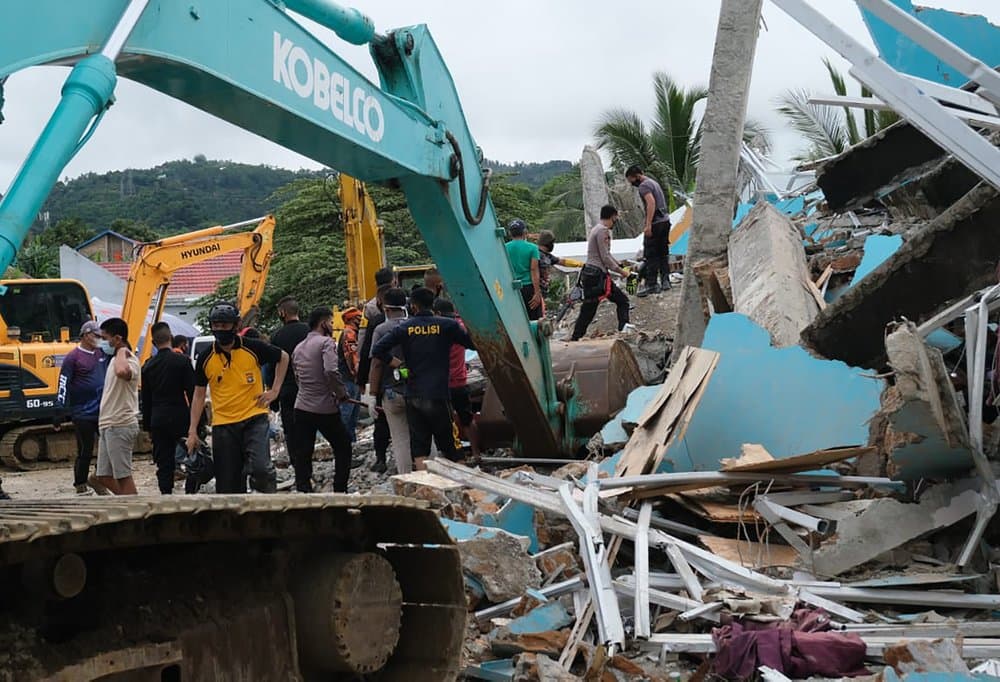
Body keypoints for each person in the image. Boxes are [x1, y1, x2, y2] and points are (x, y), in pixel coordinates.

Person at [186, 302, 288, 494]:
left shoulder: (253, 348)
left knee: (261, 468)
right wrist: (192, 431)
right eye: (216, 325)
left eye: (224, 325)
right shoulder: (206, 357)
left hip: (254, 418)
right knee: (228, 483)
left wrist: (275, 391)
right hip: (224, 424)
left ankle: (268, 504)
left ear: (235, 325)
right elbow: (199, 395)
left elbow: (283, 357)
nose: (220, 330)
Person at [371, 287, 474, 470]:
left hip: (413, 394)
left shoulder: (404, 327)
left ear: (413, 306)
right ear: (432, 304)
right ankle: (463, 486)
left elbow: (378, 350)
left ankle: (424, 487)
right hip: (439, 394)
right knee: (451, 444)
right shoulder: (447, 325)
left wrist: (398, 364)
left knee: (419, 447)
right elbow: (472, 343)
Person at [292, 307, 353, 492]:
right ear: (323, 323)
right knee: (343, 446)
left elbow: (297, 376)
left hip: (301, 406)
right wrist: (341, 392)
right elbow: (331, 370)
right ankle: (340, 489)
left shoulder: (299, 347)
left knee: (304, 451)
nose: (333, 326)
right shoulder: (326, 343)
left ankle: (304, 489)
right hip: (325, 408)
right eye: (331, 322)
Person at [141, 321, 195, 494]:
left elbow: (146, 400)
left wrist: (147, 426)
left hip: (159, 418)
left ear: (153, 342)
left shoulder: (148, 366)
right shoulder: (182, 361)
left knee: (163, 462)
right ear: (171, 338)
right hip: (181, 416)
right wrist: (198, 423)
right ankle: (191, 492)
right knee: (192, 457)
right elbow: (193, 393)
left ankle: (166, 495)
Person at [56, 320, 107, 494]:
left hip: (103, 411)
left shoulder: (101, 353)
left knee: (109, 448)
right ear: (86, 335)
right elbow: (63, 382)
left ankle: (99, 478)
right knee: (85, 449)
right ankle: (80, 483)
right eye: (96, 335)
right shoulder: (73, 357)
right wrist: (59, 409)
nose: (99, 339)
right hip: (83, 412)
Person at [366, 288, 412, 474]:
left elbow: (376, 364)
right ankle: (430, 475)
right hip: (416, 389)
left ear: (386, 308)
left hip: (392, 391)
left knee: (400, 439)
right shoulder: (415, 325)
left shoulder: (381, 329)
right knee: (423, 436)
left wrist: (372, 395)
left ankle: (408, 478)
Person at [571, 205, 633, 341]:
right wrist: (622, 272)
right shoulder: (603, 231)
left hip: (591, 273)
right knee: (622, 301)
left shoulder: (596, 229)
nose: (616, 221)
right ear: (612, 216)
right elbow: (605, 257)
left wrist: (620, 265)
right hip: (597, 275)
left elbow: (606, 255)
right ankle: (624, 332)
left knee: (588, 310)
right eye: (616, 218)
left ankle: (575, 338)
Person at [93, 317, 140, 496]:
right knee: (103, 475)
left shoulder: (129, 360)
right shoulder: (114, 360)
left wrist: (122, 351)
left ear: (117, 339)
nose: (102, 342)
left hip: (120, 424)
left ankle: (138, 513)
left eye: (105, 338)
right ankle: (130, 503)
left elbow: (123, 372)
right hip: (108, 424)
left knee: (123, 476)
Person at [358, 268, 395, 473]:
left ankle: (381, 459)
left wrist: (364, 381)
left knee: (381, 422)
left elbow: (368, 355)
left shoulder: (375, 323)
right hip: (406, 379)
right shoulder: (411, 320)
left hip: (382, 380)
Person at [432, 298, 480, 459]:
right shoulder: (461, 326)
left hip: (442, 384)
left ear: (437, 313)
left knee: (444, 421)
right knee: (468, 418)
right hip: (460, 381)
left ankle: (453, 454)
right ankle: (476, 453)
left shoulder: (437, 329)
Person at [269, 296, 309, 482]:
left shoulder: (277, 336)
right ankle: (307, 465)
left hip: (287, 391)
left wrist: (273, 397)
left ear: (282, 313)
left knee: (291, 432)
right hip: (310, 390)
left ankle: (298, 467)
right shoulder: (309, 331)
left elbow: (271, 367)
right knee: (309, 427)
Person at [626, 165, 672, 296]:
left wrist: (648, 225)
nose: (632, 183)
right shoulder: (653, 183)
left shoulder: (643, 186)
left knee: (651, 255)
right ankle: (665, 281)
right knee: (663, 253)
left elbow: (651, 203)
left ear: (637, 176)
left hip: (656, 223)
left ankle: (652, 284)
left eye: (631, 180)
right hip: (665, 221)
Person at [504, 219, 542, 321]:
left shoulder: (503, 248)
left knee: (515, 320)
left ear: (509, 233)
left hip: (511, 289)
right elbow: (534, 270)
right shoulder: (532, 248)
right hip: (528, 288)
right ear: (524, 232)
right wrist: (537, 292)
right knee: (534, 321)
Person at [336, 307, 363, 442]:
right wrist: (358, 375)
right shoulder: (349, 334)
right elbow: (352, 358)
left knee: (352, 415)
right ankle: (344, 444)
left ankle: (350, 444)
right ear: (352, 319)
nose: (361, 320)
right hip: (349, 380)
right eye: (359, 317)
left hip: (351, 380)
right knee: (347, 414)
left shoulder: (350, 333)